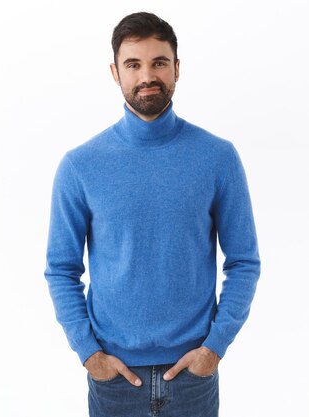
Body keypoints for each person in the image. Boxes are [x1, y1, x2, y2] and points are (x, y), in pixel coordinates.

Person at [43, 12, 260, 417]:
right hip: (114, 380)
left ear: (177, 68)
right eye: (133, 64)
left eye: (159, 62)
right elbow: (61, 270)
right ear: (115, 72)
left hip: (193, 377)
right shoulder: (81, 165)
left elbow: (244, 262)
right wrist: (90, 354)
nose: (148, 75)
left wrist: (214, 348)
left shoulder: (217, 158)